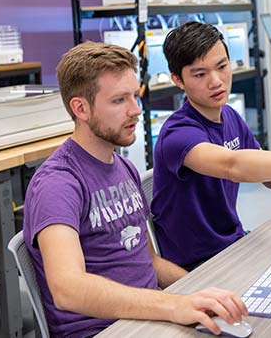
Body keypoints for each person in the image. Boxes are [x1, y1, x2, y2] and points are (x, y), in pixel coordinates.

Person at [22, 41, 248, 338]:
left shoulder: (124, 167)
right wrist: (172, 305)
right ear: (81, 108)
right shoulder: (58, 183)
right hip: (104, 330)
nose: (135, 110)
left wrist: (201, 291)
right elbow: (68, 288)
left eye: (134, 96)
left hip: (149, 317)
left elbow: (150, 262)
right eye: (119, 101)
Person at [152, 22, 271, 271]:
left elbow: (269, 176)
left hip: (233, 243)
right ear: (178, 80)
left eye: (222, 67)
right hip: (198, 262)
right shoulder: (177, 133)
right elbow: (231, 165)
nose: (216, 82)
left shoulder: (230, 116)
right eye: (199, 74)